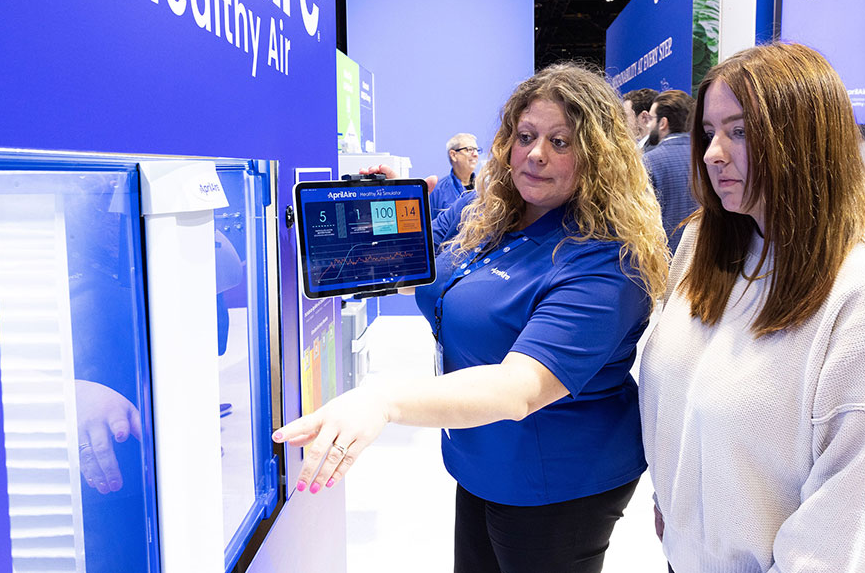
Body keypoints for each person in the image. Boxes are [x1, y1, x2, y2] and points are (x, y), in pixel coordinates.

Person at [276, 63, 670, 572]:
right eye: (525, 136)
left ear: (597, 156)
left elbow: (519, 389)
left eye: (561, 142)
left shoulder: (606, 260)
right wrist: (390, 200)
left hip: (555, 478)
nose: (536, 154)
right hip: (481, 455)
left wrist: (381, 400)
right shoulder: (489, 215)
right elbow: (412, 249)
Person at [640, 43, 865, 572]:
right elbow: (677, 394)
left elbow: (857, 502)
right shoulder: (704, 245)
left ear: (805, 139)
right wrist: (676, 502)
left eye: (739, 131)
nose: (714, 153)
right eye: (710, 132)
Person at [642, 89, 697, 253]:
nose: (648, 125)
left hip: (665, 261)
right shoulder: (706, 159)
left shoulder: (648, 162)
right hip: (704, 258)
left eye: (651, 119)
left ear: (663, 123)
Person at [428, 132, 481, 217]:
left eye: (477, 150)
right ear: (453, 155)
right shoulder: (437, 191)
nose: (476, 154)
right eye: (469, 149)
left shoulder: (484, 188)